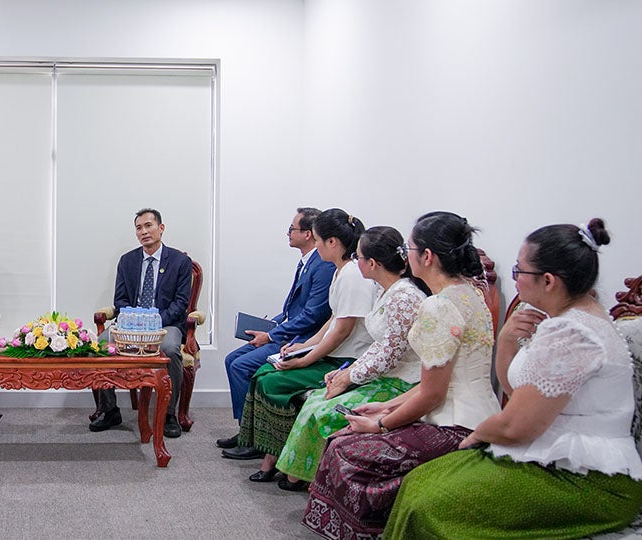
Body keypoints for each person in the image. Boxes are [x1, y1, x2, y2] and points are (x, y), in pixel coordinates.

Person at [384, 219, 642, 539]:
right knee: (421, 482)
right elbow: (519, 394)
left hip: (588, 479)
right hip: (553, 455)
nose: (515, 280)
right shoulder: (567, 319)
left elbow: (518, 426)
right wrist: (506, 342)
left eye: (519, 272)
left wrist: (478, 434)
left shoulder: (572, 333)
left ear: (548, 281)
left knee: (429, 501)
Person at [302, 211, 501, 539]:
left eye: (409, 248)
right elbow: (436, 384)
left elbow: (434, 394)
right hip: (479, 413)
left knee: (345, 449)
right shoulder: (471, 295)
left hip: (454, 424)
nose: (404, 255)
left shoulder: (438, 307)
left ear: (427, 256)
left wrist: (379, 423)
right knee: (345, 437)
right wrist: (386, 406)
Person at [226, 208, 378, 476]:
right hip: (329, 353)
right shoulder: (340, 272)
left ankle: (279, 457)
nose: (316, 246)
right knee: (264, 372)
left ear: (332, 242)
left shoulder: (352, 275)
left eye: (318, 240)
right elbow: (331, 322)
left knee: (269, 379)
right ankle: (268, 448)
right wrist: (302, 348)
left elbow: (342, 331)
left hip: (345, 361)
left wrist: (305, 358)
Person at [273, 226, 427, 490]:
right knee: (318, 399)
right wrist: (348, 371)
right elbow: (379, 346)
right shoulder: (385, 292)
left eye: (359, 257)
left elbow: (389, 354)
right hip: (384, 376)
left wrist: (348, 377)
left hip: (403, 383)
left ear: (373, 263)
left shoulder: (405, 298)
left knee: (322, 409)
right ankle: (298, 472)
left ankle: (306, 475)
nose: (355, 263)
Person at [218, 208, 336, 456]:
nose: (288, 233)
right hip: (287, 333)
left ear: (308, 234)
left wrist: (272, 335)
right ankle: (246, 429)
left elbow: (313, 315)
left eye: (292, 229)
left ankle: (251, 440)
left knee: (241, 366)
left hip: (302, 341)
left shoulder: (322, 266)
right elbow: (292, 310)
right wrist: (270, 325)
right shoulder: (306, 261)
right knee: (231, 360)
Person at [89, 208, 193, 438]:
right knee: (101, 345)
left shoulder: (180, 261)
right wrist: (134, 323)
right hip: (130, 326)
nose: (144, 231)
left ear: (161, 228)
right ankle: (110, 410)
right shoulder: (127, 261)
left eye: (148, 226)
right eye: (139, 228)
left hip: (166, 325)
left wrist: (154, 322)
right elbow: (120, 300)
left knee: (170, 350)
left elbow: (180, 303)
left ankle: (169, 414)